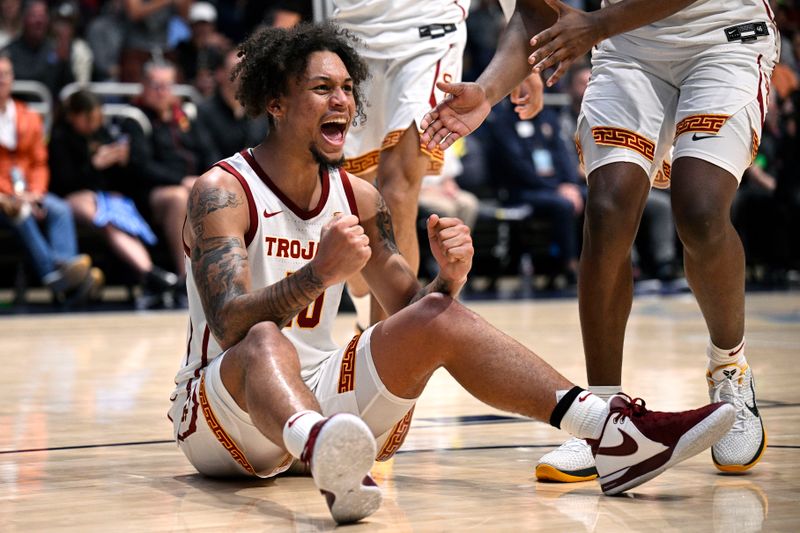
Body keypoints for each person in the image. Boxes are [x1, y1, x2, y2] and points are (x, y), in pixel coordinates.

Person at [170, 22, 737, 525]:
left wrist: (449, 279)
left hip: (325, 406)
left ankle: (611, 433)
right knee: (266, 337)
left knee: (438, 315)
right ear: (275, 101)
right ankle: (324, 452)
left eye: (347, 88)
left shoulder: (360, 198)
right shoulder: (223, 192)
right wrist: (317, 275)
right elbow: (228, 326)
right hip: (224, 416)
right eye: (323, 89)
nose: (342, 101)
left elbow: (412, 312)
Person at [421, 0, 775, 481]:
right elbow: (536, 10)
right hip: (627, 49)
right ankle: (607, 418)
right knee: (607, 210)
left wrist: (598, 24)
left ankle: (730, 368)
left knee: (700, 210)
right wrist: (487, 91)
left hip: (721, 36)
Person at [330, 0, 471, 326]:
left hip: (427, 34)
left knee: (397, 193)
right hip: (351, 35)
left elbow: (526, 10)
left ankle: (392, 338)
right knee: (351, 205)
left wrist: (524, 62)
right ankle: (368, 317)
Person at [48, 89, 180, 304]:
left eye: (98, 118)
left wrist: (121, 161)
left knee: (122, 221)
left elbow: (118, 180)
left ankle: (150, 274)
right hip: (73, 198)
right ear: (73, 116)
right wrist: (94, 165)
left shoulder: (101, 133)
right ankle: (149, 273)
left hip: (105, 197)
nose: (95, 123)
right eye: (89, 118)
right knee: (107, 220)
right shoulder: (60, 138)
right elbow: (64, 182)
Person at [0, 52, 101, 302]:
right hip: (3, 195)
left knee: (60, 208)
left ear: (13, 79)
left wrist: (35, 192)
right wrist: (14, 195)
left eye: (5, 74)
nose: (1, 80)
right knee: (19, 212)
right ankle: (56, 276)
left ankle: (67, 268)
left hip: (29, 190)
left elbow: (39, 162)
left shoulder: (28, 116)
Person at [122, 59, 216, 280]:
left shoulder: (185, 115)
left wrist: (214, 176)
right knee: (178, 197)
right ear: (143, 86)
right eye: (156, 85)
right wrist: (182, 180)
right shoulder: (135, 118)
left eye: (167, 85)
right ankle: (186, 277)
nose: (162, 92)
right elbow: (141, 167)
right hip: (152, 193)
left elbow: (207, 151)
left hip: (193, 184)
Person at [195, 48, 268, 163]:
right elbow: (209, 156)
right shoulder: (204, 111)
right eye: (237, 69)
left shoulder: (260, 110)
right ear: (220, 74)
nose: (244, 74)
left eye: (247, 69)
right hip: (219, 176)